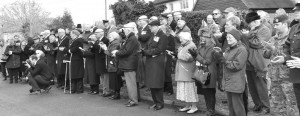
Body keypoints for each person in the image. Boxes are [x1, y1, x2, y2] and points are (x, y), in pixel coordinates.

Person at [263, 14, 297, 115]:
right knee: (277, 104)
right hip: (274, 76)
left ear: (285, 24)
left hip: (287, 77)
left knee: (292, 105)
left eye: (277, 24)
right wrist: (268, 50)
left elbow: (291, 55)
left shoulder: (292, 38)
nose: (275, 27)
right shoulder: (273, 38)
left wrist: (274, 49)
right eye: (274, 24)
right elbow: (265, 54)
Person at [271, 3, 300, 114]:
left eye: (298, 11)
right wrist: (285, 59)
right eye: (295, 10)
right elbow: (287, 46)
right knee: (297, 103)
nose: (295, 12)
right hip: (295, 73)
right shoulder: (294, 28)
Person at [244, 11, 271, 114]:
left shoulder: (265, 30)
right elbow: (248, 40)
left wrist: (248, 36)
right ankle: (257, 104)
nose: (248, 25)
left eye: (249, 23)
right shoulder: (253, 29)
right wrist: (251, 34)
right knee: (252, 85)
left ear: (254, 22)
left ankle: (265, 106)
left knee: (261, 85)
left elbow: (258, 44)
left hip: (260, 62)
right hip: (249, 61)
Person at [217, 28, 248, 116]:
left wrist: (223, 61)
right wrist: (219, 53)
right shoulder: (229, 49)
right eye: (227, 37)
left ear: (237, 38)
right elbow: (226, 59)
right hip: (229, 81)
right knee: (231, 107)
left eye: (231, 37)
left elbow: (236, 65)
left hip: (236, 82)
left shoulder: (241, 50)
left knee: (238, 107)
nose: (228, 39)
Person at [141, 20, 168, 111]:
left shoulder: (163, 36)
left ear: (157, 26)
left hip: (157, 61)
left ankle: (160, 103)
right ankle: (155, 102)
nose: (150, 28)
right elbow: (148, 46)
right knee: (151, 82)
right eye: (150, 27)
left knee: (157, 82)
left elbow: (160, 49)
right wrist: (144, 50)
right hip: (150, 60)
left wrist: (146, 52)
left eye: (152, 27)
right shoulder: (153, 35)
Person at [189, 35, 219, 115]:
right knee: (206, 92)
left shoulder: (212, 48)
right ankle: (209, 109)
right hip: (202, 71)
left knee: (210, 92)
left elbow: (207, 61)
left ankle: (211, 110)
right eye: (201, 37)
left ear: (210, 39)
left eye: (204, 37)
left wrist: (196, 56)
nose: (202, 39)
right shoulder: (201, 47)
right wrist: (193, 54)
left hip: (209, 73)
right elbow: (197, 57)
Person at [112, 22, 140, 107]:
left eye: (125, 30)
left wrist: (117, 52)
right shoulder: (131, 38)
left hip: (129, 64)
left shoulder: (132, 38)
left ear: (129, 29)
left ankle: (133, 100)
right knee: (130, 83)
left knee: (131, 84)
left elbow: (126, 51)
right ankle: (132, 99)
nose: (124, 31)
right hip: (128, 64)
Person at [174, 32, 198, 114]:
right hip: (182, 70)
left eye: (182, 39)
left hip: (188, 70)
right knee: (185, 89)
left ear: (186, 39)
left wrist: (178, 55)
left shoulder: (192, 45)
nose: (180, 40)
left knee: (190, 89)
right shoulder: (183, 45)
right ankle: (187, 106)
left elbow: (190, 58)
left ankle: (194, 107)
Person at [100, 32, 123, 100]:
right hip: (112, 64)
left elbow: (111, 54)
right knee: (114, 79)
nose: (108, 38)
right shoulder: (113, 43)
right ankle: (115, 93)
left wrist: (105, 49)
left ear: (114, 37)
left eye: (110, 37)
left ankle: (116, 94)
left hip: (114, 64)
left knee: (115, 79)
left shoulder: (115, 43)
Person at [160, 14, 175, 95]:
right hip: (162, 56)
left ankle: (170, 90)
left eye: (162, 30)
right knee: (163, 72)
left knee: (167, 73)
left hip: (168, 56)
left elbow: (172, 47)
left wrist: (164, 47)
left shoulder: (170, 37)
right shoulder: (161, 37)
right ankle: (164, 88)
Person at [136, 15, 152, 90]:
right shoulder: (140, 29)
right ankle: (143, 82)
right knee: (141, 67)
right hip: (140, 50)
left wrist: (137, 35)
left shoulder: (148, 28)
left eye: (141, 20)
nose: (139, 22)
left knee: (146, 67)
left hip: (146, 49)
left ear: (145, 20)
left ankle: (148, 83)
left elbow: (146, 37)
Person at [67, 30, 84, 94]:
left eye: (71, 34)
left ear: (74, 34)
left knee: (78, 74)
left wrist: (69, 50)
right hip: (74, 59)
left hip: (77, 59)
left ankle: (79, 89)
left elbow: (74, 49)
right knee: (73, 74)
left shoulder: (78, 40)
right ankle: (74, 89)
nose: (70, 35)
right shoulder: (75, 40)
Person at [93, 29, 110, 96]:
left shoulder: (105, 40)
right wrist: (92, 45)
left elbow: (101, 50)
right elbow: (95, 50)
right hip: (98, 59)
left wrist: (94, 43)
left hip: (103, 59)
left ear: (101, 33)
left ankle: (106, 90)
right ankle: (104, 90)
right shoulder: (98, 40)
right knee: (102, 76)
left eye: (96, 33)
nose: (95, 34)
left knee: (105, 76)